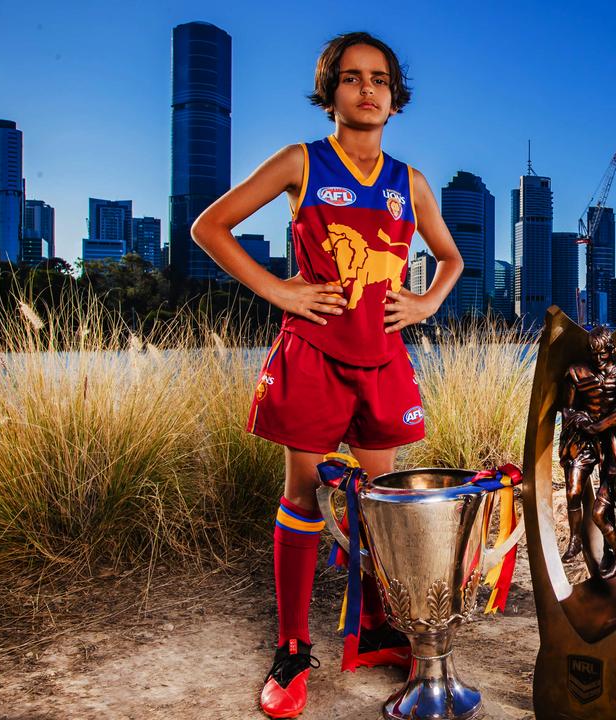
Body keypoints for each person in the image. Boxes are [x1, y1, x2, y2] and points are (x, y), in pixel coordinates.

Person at [191, 31, 463, 720]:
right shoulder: (301, 163)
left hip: (382, 359)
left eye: (379, 79)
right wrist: (280, 292)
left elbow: (452, 259)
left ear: (396, 99)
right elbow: (210, 227)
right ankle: (290, 649)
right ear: (330, 94)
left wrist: (426, 300)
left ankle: (372, 629)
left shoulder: (411, 183)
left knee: (377, 503)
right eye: (351, 78)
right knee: (306, 496)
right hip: (312, 356)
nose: (366, 89)